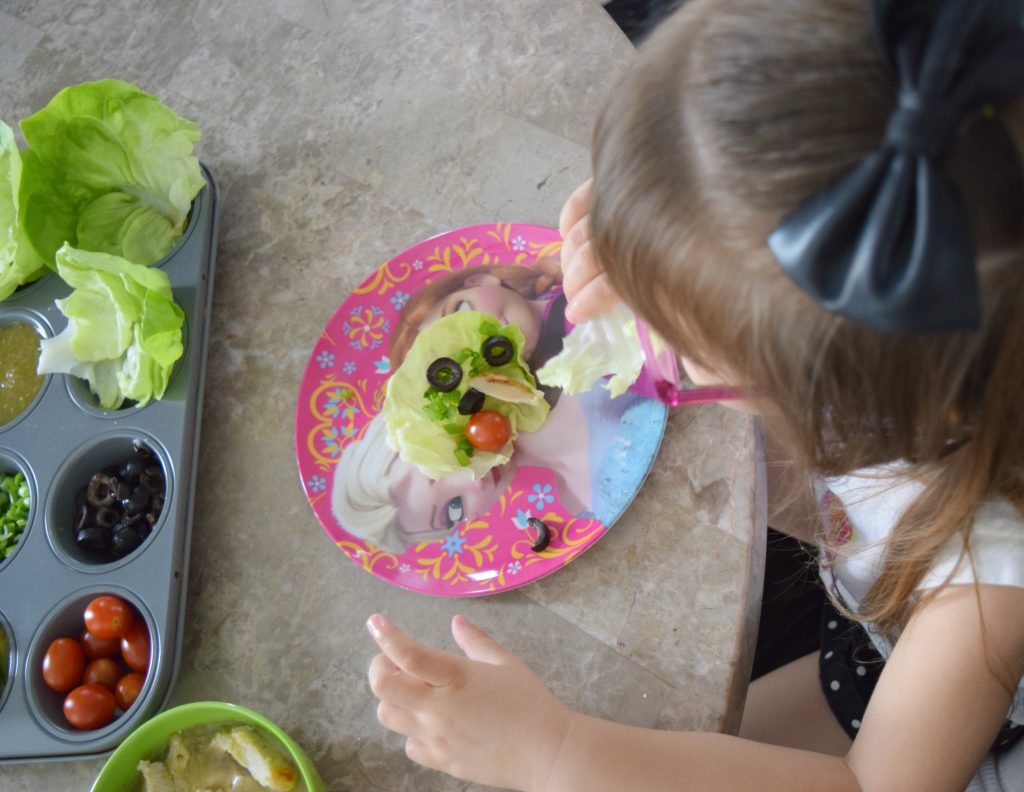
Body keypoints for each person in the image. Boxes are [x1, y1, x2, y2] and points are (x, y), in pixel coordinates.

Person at [364, 0, 1024, 789]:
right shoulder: (889, 323)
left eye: (678, 339)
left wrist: (556, 752)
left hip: (929, 711)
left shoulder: (990, 578)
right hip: (867, 609)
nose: (632, 320)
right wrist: (659, 241)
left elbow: (872, 782)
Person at [332, 259, 665, 553]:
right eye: (453, 510)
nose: (474, 482)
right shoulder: (575, 506)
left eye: (441, 463)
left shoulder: (566, 364)